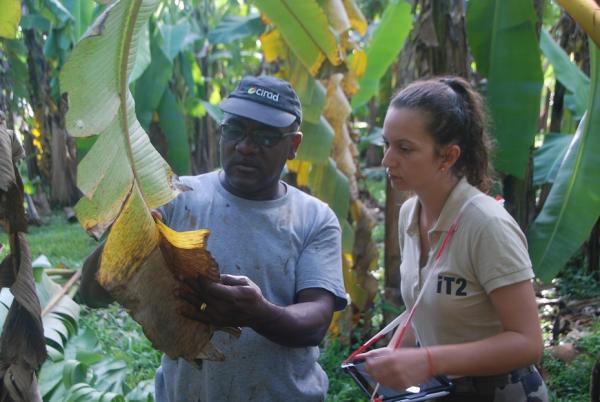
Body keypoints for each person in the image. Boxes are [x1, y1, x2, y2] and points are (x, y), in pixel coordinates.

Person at [80, 75, 347, 401]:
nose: (245, 147)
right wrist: (125, 233)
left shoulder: (314, 219)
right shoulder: (175, 199)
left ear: (293, 146)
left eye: (264, 137)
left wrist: (258, 313)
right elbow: (92, 294)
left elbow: (316, 322)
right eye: (235, 130)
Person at [358, 76, 548, 401]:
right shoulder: (410, 213)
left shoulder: (486, 225)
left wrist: (428, 360)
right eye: (387, 143)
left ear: (447, 157)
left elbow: (528, 342)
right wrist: (392, 364)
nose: (387, 160)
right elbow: (421, 310)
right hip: (443, 389)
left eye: (404, 148)